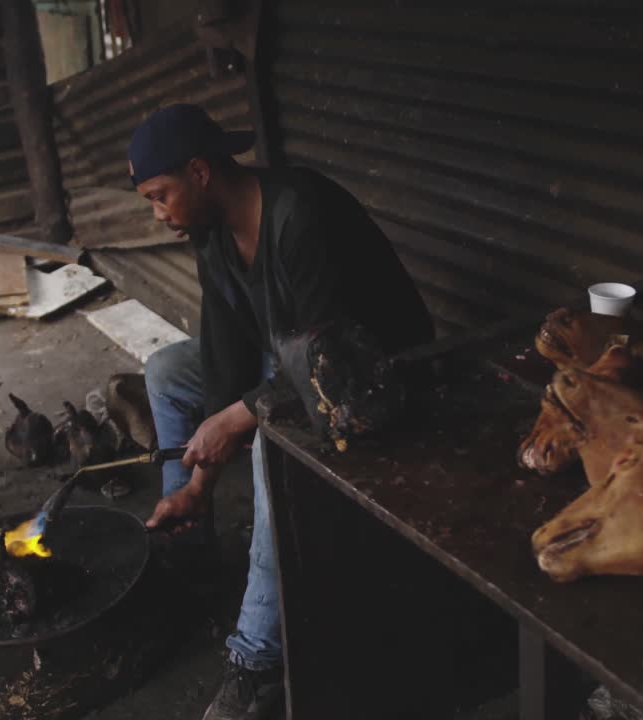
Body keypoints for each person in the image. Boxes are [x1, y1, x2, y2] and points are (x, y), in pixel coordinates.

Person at [129, 104, 434, 720]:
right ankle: (188, 540)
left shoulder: (301, 213)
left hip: (374, 373)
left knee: (272, 440)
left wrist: (238, 419)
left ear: (199, 173)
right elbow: (226, 358)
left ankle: (258, 661)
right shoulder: (212, 232)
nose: (158, 215)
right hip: (293, 357)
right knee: (166, 372)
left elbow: (333, 368)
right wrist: (198, 484)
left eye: (160, 196)